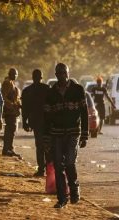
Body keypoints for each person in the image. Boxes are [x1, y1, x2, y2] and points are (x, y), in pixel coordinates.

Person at [44, 63, 88, 208]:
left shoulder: (78, 90)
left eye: (64, 72)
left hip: (73, 132)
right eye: (59, 73)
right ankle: (62, 198)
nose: (62, 75)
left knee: (69, 162)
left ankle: (74, 190)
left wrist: (85, 135)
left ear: (68, 73)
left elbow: (84, 113)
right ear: (56, 75)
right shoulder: (50, 93)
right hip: (56, 134)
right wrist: (46, 138)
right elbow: (47, 117)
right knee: (58, 166)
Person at [21, 69, 50, 176]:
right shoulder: (47, 89)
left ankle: (42, 169)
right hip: (46, 122)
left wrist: (25, 122)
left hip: (37, 122)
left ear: (33, 77)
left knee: (40, 145)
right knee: (47, 146)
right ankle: (47, 169)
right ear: (41, 77)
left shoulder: (27, 91)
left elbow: (24, 109)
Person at [1, 68, 22, 159]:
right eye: (14, 74)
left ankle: (9, 148)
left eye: (16, 74)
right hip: (9, 111)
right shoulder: (7, 83)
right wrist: (12, 105)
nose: (15, 76)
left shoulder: (11, 82)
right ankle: (7, 149)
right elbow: (3, 97)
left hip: (12, 111)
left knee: (11, 130)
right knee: (10, 129)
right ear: (11, 74)